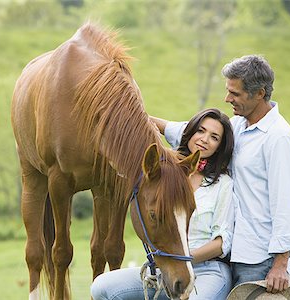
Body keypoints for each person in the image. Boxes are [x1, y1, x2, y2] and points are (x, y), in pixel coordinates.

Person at [152, 55, 290, 295]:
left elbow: (286, 203)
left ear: (260, 93)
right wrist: (142, 119)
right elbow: (191, 133)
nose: (227, 99)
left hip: (258, 258)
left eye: (235, 94)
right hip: (233, 252)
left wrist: (280, 263)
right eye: (227, 91)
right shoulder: (239, 125)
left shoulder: (279, 138)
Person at [91, 108, 235, 300]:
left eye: (214, 137)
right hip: (166, 266)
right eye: (200, 131)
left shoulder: (222, 184)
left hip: (208, 271)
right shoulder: (164, 174)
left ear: (219, 146)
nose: (204, 139)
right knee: (102, 287)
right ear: (190, 132)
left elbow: (221, 242)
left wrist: (183, 258)